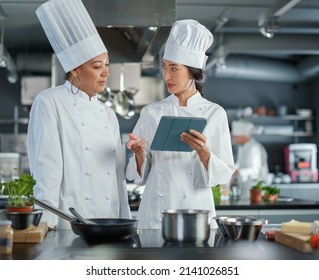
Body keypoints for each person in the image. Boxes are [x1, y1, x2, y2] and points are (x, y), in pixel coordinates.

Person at [27, 0, 131, 229]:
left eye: (107, 64)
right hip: (70, 226)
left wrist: (125, 223)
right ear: (74, 69)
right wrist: (45, 228)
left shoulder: (108, 114)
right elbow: (47, 172)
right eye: (96, 66)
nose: (106, 72)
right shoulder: (49, 102)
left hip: (109, 225)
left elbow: (118, 178)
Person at [126, 19, 235, 229]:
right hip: (156, 214)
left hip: (196, 210)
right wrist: (139, 155)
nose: (167, 75)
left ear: (192, 72)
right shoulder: (151, 112)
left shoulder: (214, 114)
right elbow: (139, 177)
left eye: (174, 69)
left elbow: (224, 173)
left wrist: (204, 153)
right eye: (164, 67)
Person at [231, 120, 269, 199]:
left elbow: (256, 170)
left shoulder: (255, 148)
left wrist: (239, 172)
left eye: (235, 136)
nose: (233, 138)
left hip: (257, 191)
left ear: (243, 135)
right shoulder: (242, 147)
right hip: (245, 190)